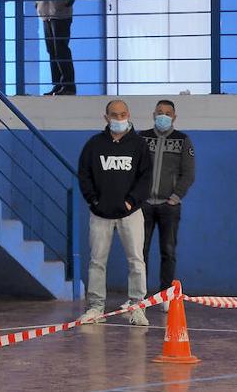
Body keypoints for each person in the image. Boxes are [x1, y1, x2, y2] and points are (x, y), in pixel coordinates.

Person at [77, 99, 153, 326]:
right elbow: (84, 174)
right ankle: (95, 308)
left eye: (122, 114)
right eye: (114, 115)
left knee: (136, 261)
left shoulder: (139, 145)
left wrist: (131, 202)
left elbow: (145, 178)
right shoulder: (94, 145)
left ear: (128, 115)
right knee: (97, 262)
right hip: (100, 215)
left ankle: (137, 307)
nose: (118, 119)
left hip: (131, 214)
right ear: (106, 117)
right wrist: (93, 200)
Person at [140, 99, 196, 310]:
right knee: (140, 252)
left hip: (169, 206)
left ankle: (165, 295)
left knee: (168, 251)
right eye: (159, 112)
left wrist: (175, 196)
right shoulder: (141, 138)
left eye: (167, 113)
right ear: (153, 114)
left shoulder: (182, 140)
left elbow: (189, 173)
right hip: (143, 205)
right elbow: (134, 167)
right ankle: (140, 296)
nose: (163, 115)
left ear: (174, 117)